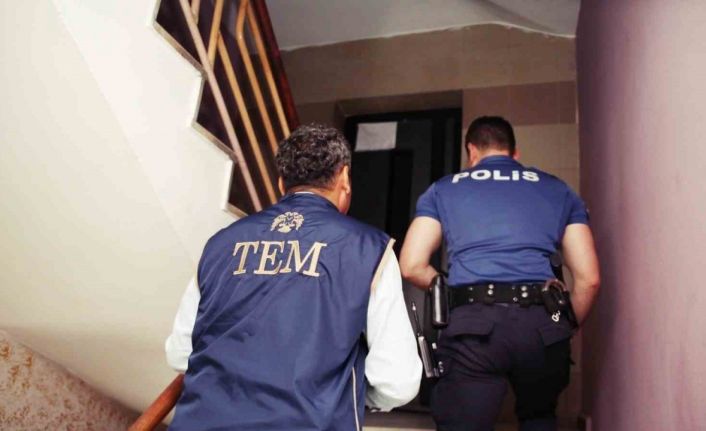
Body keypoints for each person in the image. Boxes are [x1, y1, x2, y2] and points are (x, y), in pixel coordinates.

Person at [165, 124, 422, 430]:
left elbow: (180, 353)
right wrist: (350, 395)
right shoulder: (370, 249)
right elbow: (397, 381)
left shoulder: (219, 244)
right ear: (344, 177)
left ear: (280, 183)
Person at [399, 116, 600, 431]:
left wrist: (453, 291)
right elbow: (589, 279)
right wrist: (561, 327)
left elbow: (411, 265)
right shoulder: (558, 189)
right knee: (539, 419)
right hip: (542, 323)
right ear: (515, 153)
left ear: (472, 152)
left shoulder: (443, 190)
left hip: (473, 325)